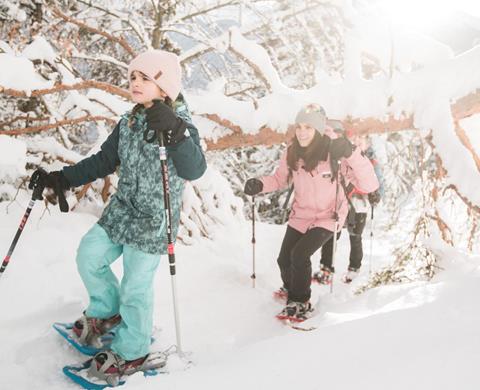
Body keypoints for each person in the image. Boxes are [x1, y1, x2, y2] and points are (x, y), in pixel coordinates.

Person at [29, 50, 206, 380]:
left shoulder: (181, 126)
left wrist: (177, 132)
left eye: (145, 78)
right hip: (122, 211)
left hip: (154, 221)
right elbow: (103, 161)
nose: (135, 83)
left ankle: (133, 351)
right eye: (133, 77)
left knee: (136, 288)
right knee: (89, 255)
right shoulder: (129, 121)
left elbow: (195, 169)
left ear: (164, 85)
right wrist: (63, 178)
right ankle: (107, 312)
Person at [243, 104, 379, 322]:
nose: (302, 132)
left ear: (317, 129)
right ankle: (292, 289)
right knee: (283, 259)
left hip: (329, 216)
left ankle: (300, 301)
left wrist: (350, 152)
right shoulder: (292, 151)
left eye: (308, 127)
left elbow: (370, 183)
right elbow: (279, 179)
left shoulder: (335, 152)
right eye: (299, 127)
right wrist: (259, 184)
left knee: (300, 254)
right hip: (301, 215)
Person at [314, 123, 383, 285]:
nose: (359, 142)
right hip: (340, 201)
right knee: (332, 234)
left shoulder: (370, 161)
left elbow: (377, 182)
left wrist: (375, 194)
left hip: (359, 203)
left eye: (362, 139)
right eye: (355, 138)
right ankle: (326, 269)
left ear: (368, 142)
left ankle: (353, 270)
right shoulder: (343, 155)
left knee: (355, 236)